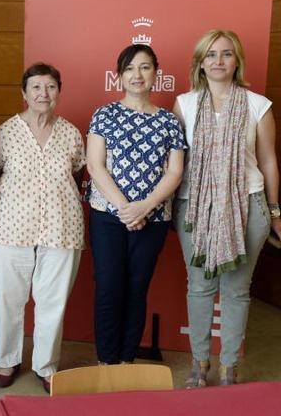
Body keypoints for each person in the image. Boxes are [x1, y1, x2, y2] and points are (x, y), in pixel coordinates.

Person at [172, 29, 281, 387]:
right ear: (200, 63)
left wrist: (276, 211)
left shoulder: (257, 105)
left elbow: (267, 161)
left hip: (247, 206)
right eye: (211, 55)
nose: (218, 61)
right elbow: (177, 163)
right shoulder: (185, 104)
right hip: (196, 208)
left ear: (237, 61)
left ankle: (229, 366)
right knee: (200, 287)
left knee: (236, 290)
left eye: (226, 54)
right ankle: (199, 364)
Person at [0, 63, 85, 394]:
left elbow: (79, 176)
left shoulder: (72, 133)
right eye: (36, 88)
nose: (44, 94)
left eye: (51, 87)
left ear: (59, 91)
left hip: (62, 227)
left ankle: (46, 364)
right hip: (9, 228)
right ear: (24, 93)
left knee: (52, 301)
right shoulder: (5, 132)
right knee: (9, 299)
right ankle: (7, 359)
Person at [85, 44, 186, 366]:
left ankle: (126, 361)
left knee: (136, 288)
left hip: (153, 219)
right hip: (107, 217)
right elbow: (95, 165)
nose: (137, 75)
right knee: (108, 289)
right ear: (119, 76)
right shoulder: (105, 114)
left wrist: (146, 206)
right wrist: (125, 209)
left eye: (144, 67)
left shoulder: (169, 121)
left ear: (156, 73)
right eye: (129, 68)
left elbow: (175, 171)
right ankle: (106, 360)